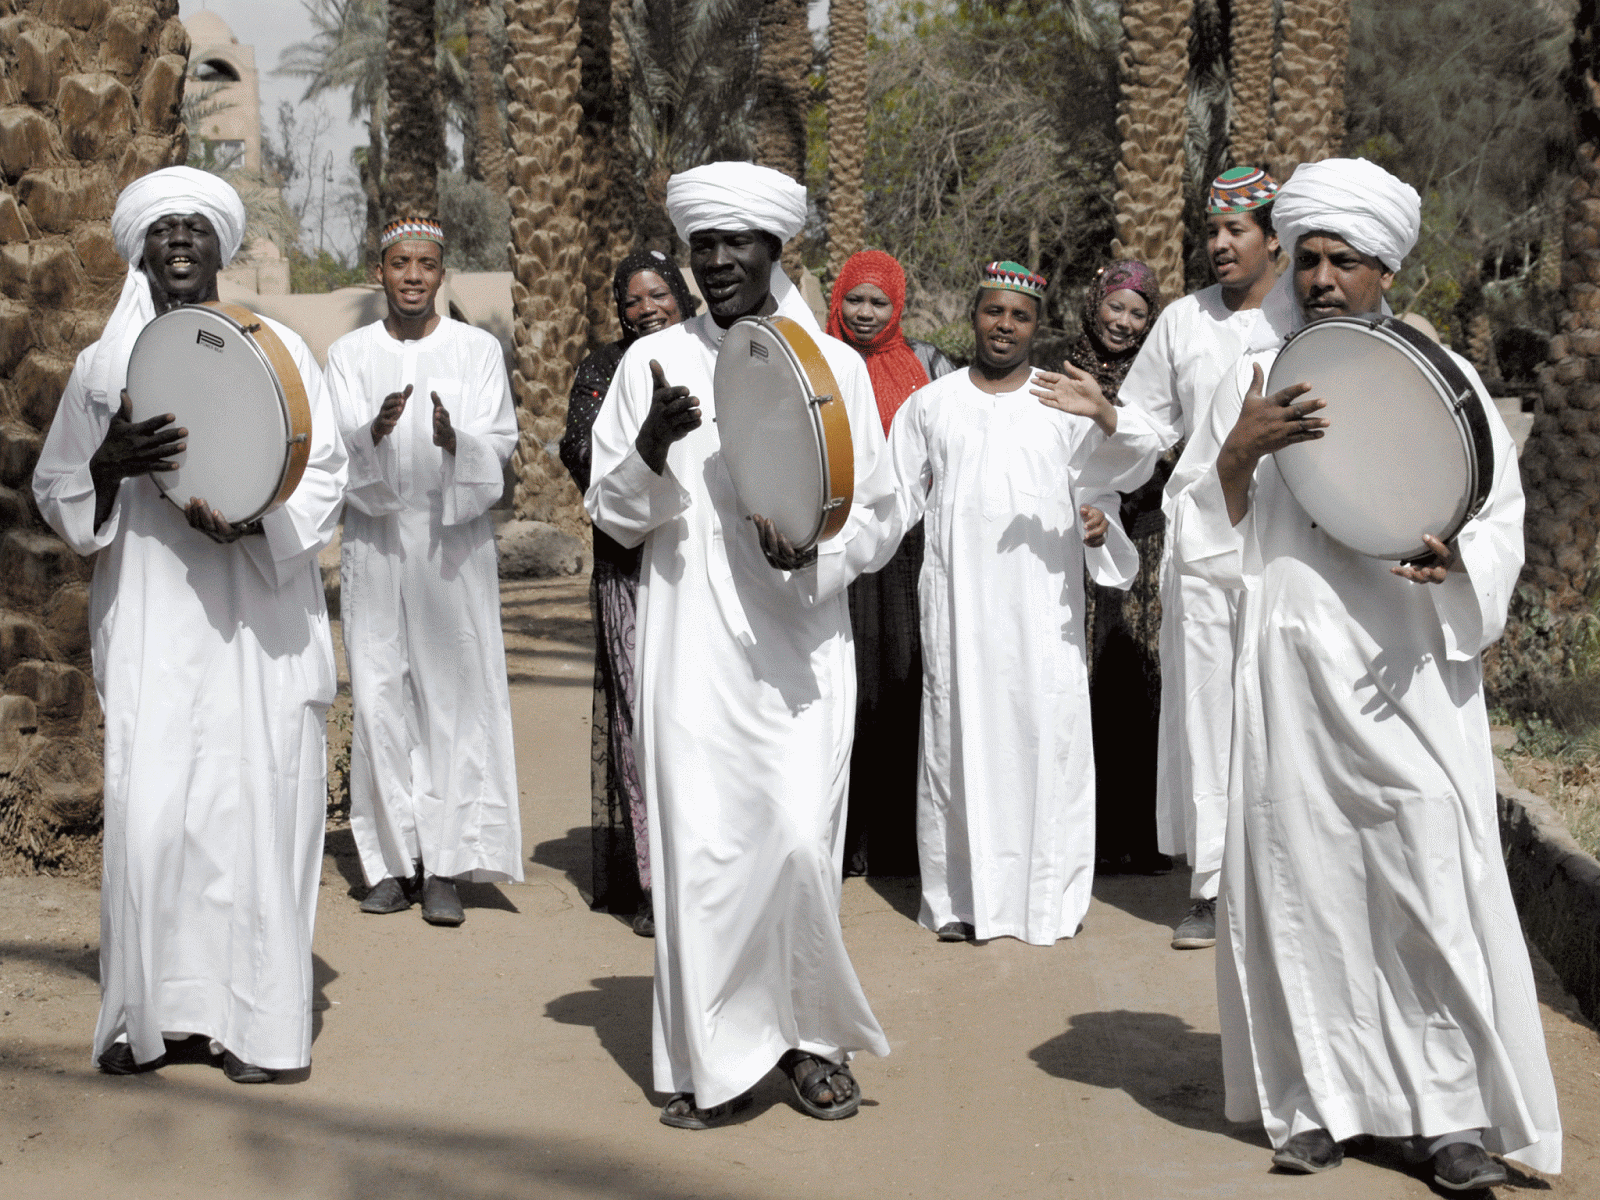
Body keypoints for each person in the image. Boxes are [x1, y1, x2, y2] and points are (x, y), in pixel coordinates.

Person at [1170, 157, 1561, 1188]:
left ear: (1386, 269)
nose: (1324, 277)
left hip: (1404, 673)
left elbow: (1497, 521)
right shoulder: (1245, 378)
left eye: (1346, 260)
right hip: (1290, 672)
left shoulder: (1444, 379)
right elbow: (1196, 540)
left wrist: (1456, 562)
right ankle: (1312, 1103)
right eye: (1309, 258)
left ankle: (1449, 1118)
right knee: (1304, 886)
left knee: (1423, 873)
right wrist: (1236, 458)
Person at [585, 162, 906, 1128]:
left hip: (802, 653)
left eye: (739, 244)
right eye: (704, 245)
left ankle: (810, 1041)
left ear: (778, 249)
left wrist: (815, 551)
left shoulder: (833, 364)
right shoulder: (651, 364)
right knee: (706, 854)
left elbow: (882, 512)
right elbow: (611, 512)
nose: (718, 261)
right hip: (691, 655)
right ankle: (712, 1056)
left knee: (803, 844)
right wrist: (644, 453)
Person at [32, 166, 347, 1083]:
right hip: (153, 623)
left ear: (220, 247)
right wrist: (109, 464)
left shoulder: (281, 347)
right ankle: (150, 1017)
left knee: (254, 806)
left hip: (258, 624)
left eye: (195, 229)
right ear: (141, 248)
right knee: (156, 807)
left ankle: (254, 1026)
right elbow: (57, 487)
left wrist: (254, 517)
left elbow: (322, 473)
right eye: (162, 229)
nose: (178, 242)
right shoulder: (103, 368)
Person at [888, 260, 1165, 946]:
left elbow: (1126, 467)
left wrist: (1098, 511)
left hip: (1042, 615)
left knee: (1045, 739)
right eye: (993, 312)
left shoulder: (1061, 398)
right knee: (958, 742)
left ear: (1037, 328)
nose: (1004, 326)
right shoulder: (933, 403)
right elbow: (888, 499)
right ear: (974, 317)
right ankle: (956, 898)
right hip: (958, 610)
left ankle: (1046, 898)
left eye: (1019, 316)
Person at [325, 216, 522, 928]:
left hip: (452, 546)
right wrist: (369, 436)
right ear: (379, 270)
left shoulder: (475, 351)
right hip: (375, 541)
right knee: (379, 697)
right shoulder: (348, 354)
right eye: (400, 262)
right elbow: (331, 452)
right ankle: (390, 864)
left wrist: (455, 443)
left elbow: (499, 441)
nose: (413, 275)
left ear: (443, 274)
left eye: (427, 264)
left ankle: (444, 864)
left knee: (453, 696)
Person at [1115, 167, 1280, 949]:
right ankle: (1211, 887)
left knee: (1283, 706)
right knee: (1208, 711)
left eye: (1235, 230)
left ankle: (1284, 880)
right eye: (1211, 231)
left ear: (1273, 238)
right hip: (1204, 541)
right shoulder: (1181, 321)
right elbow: (1145, 424)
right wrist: (1104, 419)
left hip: (1285, 544)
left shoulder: (1302, 317)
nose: (1217, 244)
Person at [561, 249, 698, 936]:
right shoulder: (602, 370)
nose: (646, 309)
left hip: (702, 564)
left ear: (682, 295)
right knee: (642, 721)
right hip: (630, 566)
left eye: (658, 296)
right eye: (633, 300)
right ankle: (654, 879)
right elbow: (581, 455)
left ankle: (708, 872)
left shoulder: (720, 354)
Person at [826, 249, 957, 877]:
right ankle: (846, 841)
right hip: (839, 546)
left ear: (898, 305)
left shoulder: (929, 365)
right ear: (838, 300)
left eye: (880, 302)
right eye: (856, 299)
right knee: (844, 689)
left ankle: (902, 845)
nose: (867, 313)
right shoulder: (818, 362)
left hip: (907, 550)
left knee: (904, 679)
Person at [1070, 260, 1171, 877]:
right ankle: (1091, 833)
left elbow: (1172, 450)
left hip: (1147, 537)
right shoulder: (1065, 369)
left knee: (1140, 674)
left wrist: (1129, 499)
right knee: (1083, 677)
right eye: (1117, 308)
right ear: (1095, 305)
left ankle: (1144, 832)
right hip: (1079, 538)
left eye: (1139, 314)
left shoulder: (1157, 378)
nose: (1125, 323)